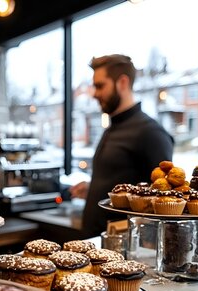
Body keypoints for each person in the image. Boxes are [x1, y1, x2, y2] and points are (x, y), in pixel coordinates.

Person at [70, 54, 174, 238]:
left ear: (123, 83)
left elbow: (164, 198)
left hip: (125, 251)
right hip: (96, 242)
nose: (94, 93)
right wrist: (93, 188)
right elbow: (122, 180)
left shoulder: (150, 132)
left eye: (100, 86)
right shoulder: (113, 127)